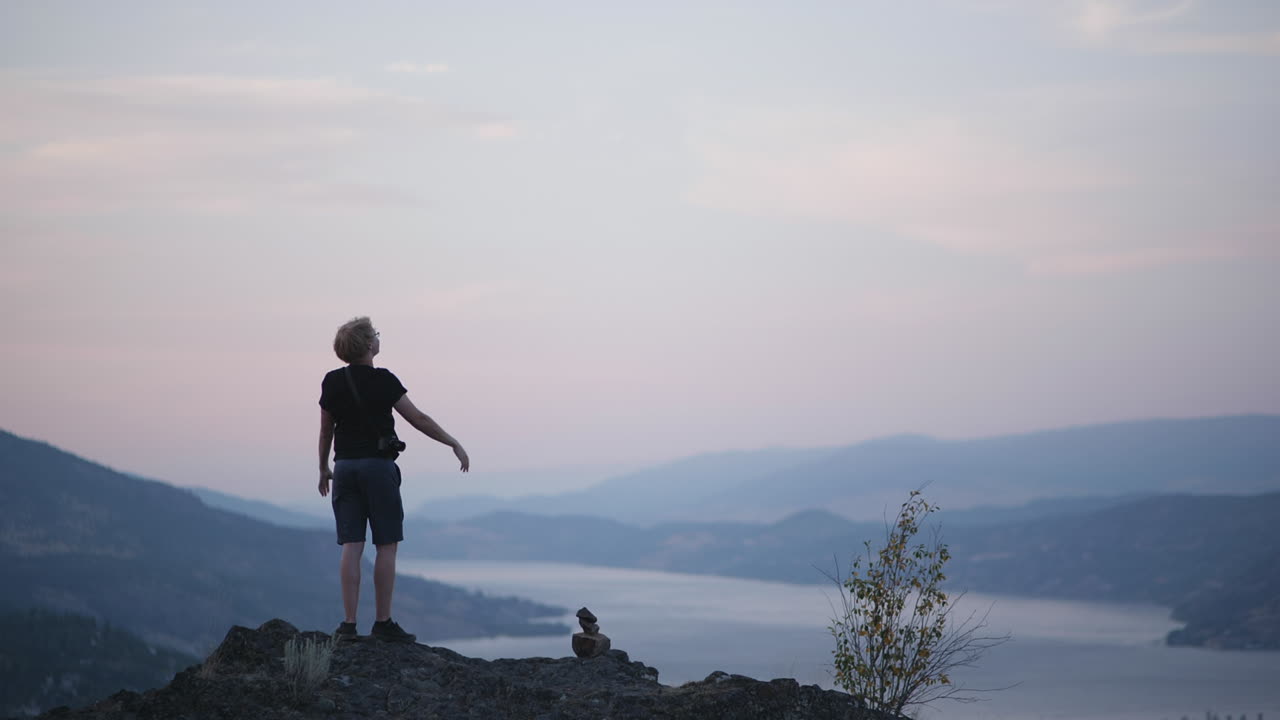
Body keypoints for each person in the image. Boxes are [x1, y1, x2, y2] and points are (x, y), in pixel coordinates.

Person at [317, 316, 469, 642]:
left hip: (344, 468)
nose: (378, 337)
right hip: (377, 467)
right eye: (375, 334)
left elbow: (326, 430)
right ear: (368, 344)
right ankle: (382, 623)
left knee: (351, 545)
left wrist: (322, 467)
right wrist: (452, 442)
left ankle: (348, 625)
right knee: (386, 544)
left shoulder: (332, 381)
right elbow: (418, 419)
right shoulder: (384, 380)